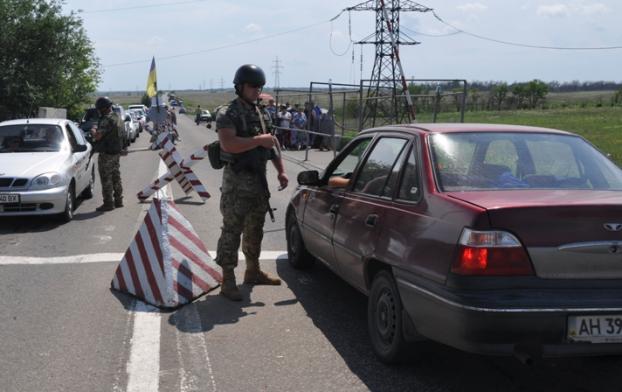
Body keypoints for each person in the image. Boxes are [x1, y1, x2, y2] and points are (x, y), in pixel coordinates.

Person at [215, 64, 289, 301]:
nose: (257, 90)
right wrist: (259, 140)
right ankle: (227, 280)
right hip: (237, 185)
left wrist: (281, 171)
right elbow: (229, 144)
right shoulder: (228, 113)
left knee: (255, 229)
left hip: (258, 183)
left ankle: (253, 271)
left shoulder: (262, 112)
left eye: (260, 87)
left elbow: (272, 145)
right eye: (253, 86)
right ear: (240, 87)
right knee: (232, 231)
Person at [91, 96, 124, 212]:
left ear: (104, 108)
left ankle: (108, 203)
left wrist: (94, 129)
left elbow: (98, 136)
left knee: (106, 179)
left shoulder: (106, 119)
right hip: (116, 152)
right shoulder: (118, 118)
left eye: (99, 109)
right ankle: (119, 200)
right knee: (116, 177)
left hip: (107, 154)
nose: (99, 111)